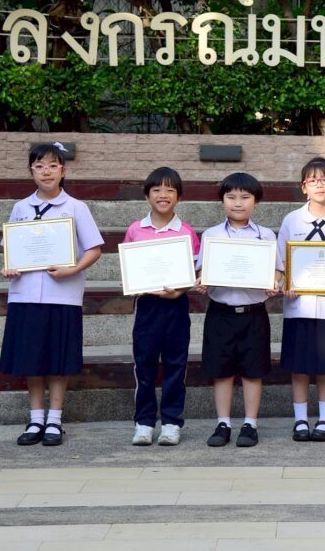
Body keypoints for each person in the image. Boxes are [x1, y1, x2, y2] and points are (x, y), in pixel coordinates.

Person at [0, 142, 103, 447]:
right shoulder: (21, 207)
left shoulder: (76, 207)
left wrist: (73, 269)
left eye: (53, 166)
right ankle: (35, 419)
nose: (46, 172)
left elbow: (94, 249)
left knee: (58, 360)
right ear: (31, 171)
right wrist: (9, 268)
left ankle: (55, 420)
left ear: (63, 170)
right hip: (25, 296)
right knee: (31, 360)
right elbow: (11, 252)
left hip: (63, 296)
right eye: (39, 166)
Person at [196, 173, 280, 448]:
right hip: (220, 312)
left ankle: (250, 424)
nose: (238, 203)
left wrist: (274, 282)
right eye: (231, 197)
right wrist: (202, 280)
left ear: (256, 202)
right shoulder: (212, 235)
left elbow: (277, 269)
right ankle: (223, 423)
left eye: (245, 197)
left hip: (254, 312)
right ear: (222, 200)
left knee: (252, 370)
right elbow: (202, 269)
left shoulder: (265, 235)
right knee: (221, 370)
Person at [277, 157, 325, 442]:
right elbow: (281, 262)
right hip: (299, 307)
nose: (319, 184)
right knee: (299, 368)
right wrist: (285, 283)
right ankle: (300, 420)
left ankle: (324, 420)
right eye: (312, 180)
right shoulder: (292, 220)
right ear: (303, 187)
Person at [123, 167, 200, 447]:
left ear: (179, 196)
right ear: (147, 195)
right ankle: (144, 423)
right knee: (144, 365)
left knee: (175, 365)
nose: (163, 195)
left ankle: (171, 422)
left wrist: (179, 290)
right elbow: (128, 269)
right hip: (146, 306)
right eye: (156, 190)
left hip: (175, 306)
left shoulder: (186, 232)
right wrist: (133, 283)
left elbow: (193, 273)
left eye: (170, 190)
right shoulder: (135, 230)